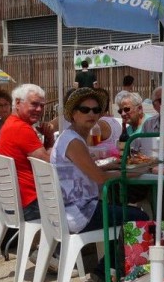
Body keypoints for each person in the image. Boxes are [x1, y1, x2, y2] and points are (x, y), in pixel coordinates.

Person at [50, 88, 150, 235]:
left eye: (96, 110)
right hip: (80, 213)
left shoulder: (71, 136)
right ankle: (113, 259)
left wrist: (109, 166)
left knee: (124, 209)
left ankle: (115, 257)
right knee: (141, 217)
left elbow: (85, 170)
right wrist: (132, 172)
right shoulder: (73, 141)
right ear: (73, 114)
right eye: (85, 110)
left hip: (75, 208)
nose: (91, 114)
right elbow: (99, 178)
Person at [0, 83, 54, 221]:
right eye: (34, 104)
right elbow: (50, 162)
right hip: (31, 203)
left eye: (42, 105)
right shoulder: (21, 128)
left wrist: (47, 140)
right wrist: (52, 141)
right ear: (17, 103)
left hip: (14, 201)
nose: (39, 109)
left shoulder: (11, 123)